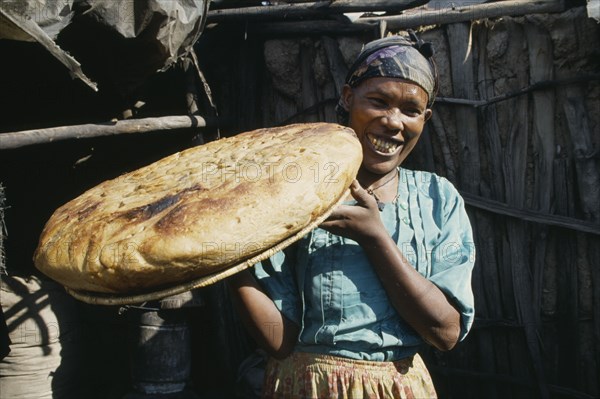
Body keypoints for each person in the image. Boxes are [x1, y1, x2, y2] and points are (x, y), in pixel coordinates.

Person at [227, 31, 475, 398]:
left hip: (397, 388)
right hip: (305, 387)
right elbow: (279, 341)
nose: (393, 122)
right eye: (378, 101)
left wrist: (375, 238)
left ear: (426, 118)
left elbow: (445, 332)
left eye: (410, 111)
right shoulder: (298, 195)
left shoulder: (438, 199)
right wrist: (227, 263)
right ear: (348, 98)